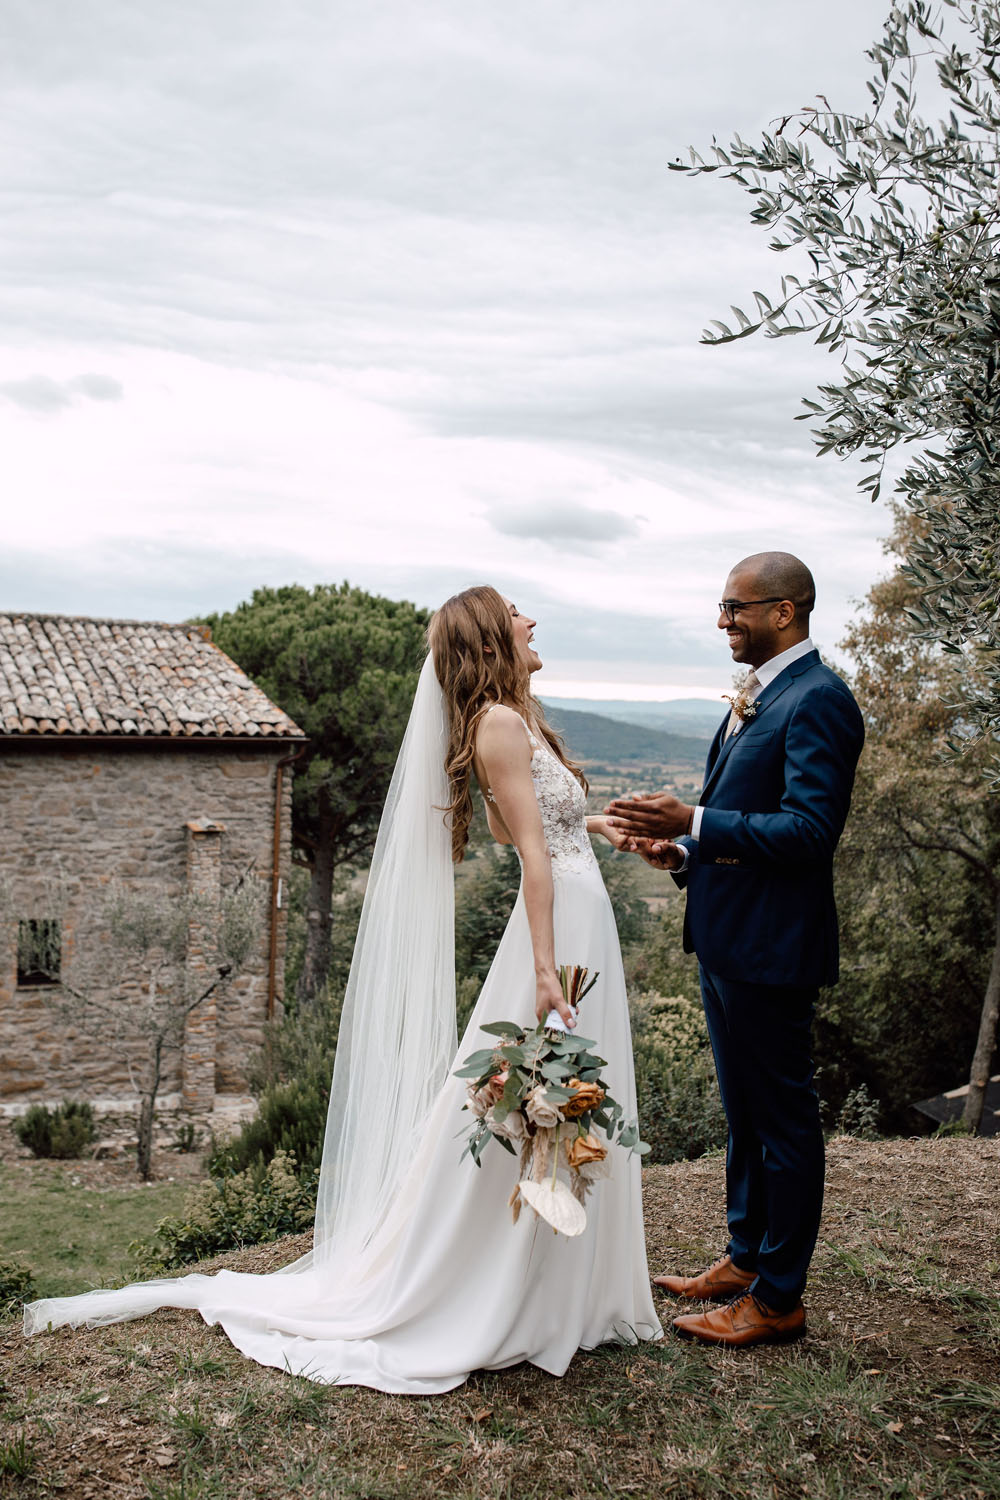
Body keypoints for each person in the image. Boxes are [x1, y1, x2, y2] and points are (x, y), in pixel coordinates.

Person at [24, 585, 662, 1391]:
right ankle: (504, 1280)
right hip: (558, 929)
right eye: (515, 613)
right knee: (531, 1099)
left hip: (575, 915)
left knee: (553, 1097)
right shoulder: (500, 723)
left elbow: (523, 826)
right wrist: (543, 967)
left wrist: (588, 825)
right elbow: (526, 852)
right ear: (491, 639)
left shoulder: (517, 718)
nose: (531, 620)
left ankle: (559, 1280)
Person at [607, 553, 864, 1349]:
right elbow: (745, 820)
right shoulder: (761, 694)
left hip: (771, 948)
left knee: (783, 1123)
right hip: (726, 940)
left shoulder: (819, 700)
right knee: (745, 1114)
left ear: (784, 611)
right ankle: (746, 1257)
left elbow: (809, 833)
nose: (723, 621)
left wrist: (693, 820)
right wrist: (683, 853)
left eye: (735, 607)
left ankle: (779, 1298)